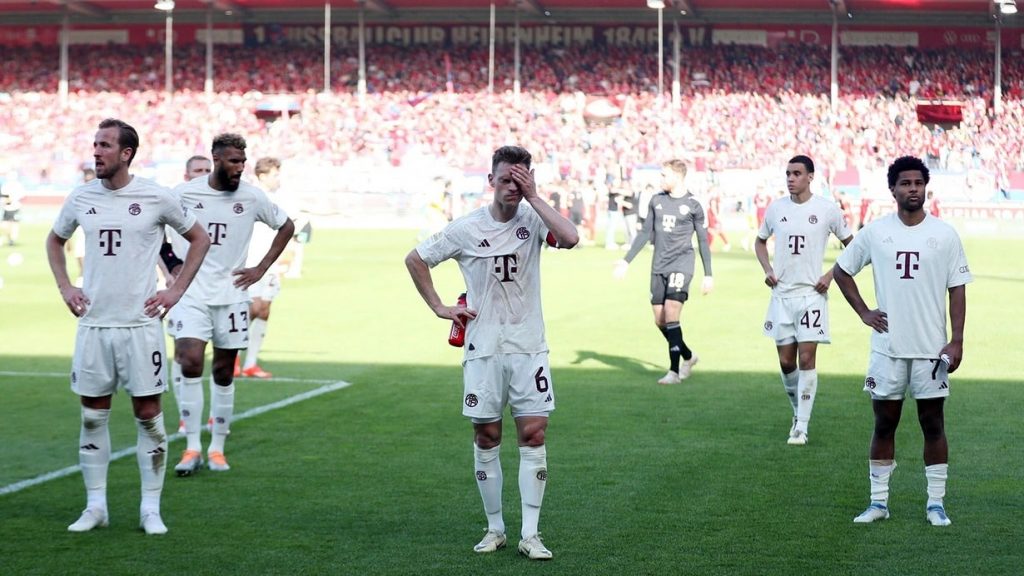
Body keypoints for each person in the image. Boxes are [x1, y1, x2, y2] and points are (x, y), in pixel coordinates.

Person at [405, 145, 578, 561]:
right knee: (487, 435)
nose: (512, 188)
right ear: (490, 181)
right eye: (505, 180)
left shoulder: (534, 219)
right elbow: (416, 258)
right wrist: (439, 306)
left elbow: (571, 238)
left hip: (528, 346)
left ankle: (531, 534)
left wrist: (535, 196)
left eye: (519, 181)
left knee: (533, 433)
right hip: (483, 348)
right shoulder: (465, 228)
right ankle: (496, 527)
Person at [44, 118, 211, 535]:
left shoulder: (156, 196)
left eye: (104, 145)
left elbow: (200, 239)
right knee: (92, 417)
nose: (96, 152)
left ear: (126, 153)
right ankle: (95, 506)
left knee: (149, 415)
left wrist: (175, 292)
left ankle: (150, 509)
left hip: (141, 327)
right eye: (94, 144)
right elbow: (53, 240)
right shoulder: (81, 197)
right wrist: (66, 285)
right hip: (95, 326)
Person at [832, 155, 971, 527]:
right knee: (883, 424)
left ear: (926, 187)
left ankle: (936, 504)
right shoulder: (876, 232)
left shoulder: (944, 234)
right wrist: (864, 312)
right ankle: (878, 503)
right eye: (905, 183)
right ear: (892, 189)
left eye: (918, 183)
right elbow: (842, 271)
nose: (913, 189)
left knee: (933, 423)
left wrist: (956, 341)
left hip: (931, 349)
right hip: (887, 348)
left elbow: (957, 289)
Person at [168, 135, 294, 476]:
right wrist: (171, 266)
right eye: (233, 161)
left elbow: (286, 226)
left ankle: (217, 449)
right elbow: (155, 229)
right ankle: (192, 446)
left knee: (223, 372)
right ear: (216, 159)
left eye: (242, 161)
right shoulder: (184, 194)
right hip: (191, 295)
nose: (240, 167)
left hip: (232, 295)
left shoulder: (252, 196)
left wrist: (261, 268)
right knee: (190, 361)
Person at [754, 155, 853, 446]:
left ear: (810, 176)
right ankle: (797, 413)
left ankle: (802, 427)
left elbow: (853, 245)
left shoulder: (826, 210)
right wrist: (767, 270)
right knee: (786, 362)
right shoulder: (776, 209)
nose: (790, 178)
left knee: (806, 358)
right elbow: (760, 241)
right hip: (782, 296)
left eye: (797, 173)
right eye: (787, 173)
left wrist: (831, 274)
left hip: (812, 296)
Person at [614, 159, 713, 385]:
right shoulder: (656, 200)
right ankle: (688, 356)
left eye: (663, 175)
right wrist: (625, 262)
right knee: (660, 321)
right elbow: (645, 233)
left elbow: (703, 240)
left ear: (677, 177)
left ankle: (674, 372)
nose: (660, 179)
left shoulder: (694, 204)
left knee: (671, 313)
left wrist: (708, 275)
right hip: (659, 265)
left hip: (682, 264)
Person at [236, 156, 303, 378]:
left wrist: (290, 252)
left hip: (271, 262)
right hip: (251, 261)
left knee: (264, 310)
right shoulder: (249, 196)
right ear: (262, 176)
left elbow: (291, 226)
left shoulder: (283, 197)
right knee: (251, 308)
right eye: (275, 174)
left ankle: (250, 363)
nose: (278, 178)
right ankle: (232, 356)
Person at [169, 155, 213, 432]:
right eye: (198, 170)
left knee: (217, 356)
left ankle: (212, 414)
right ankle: (186, 414)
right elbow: (155, 234)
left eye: (208, 170)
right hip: (185, 289)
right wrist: (172, 266)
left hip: (217, 289)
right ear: (186, 175)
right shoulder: (175, 199)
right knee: (184, 354)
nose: (203, 174)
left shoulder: (222, 200)